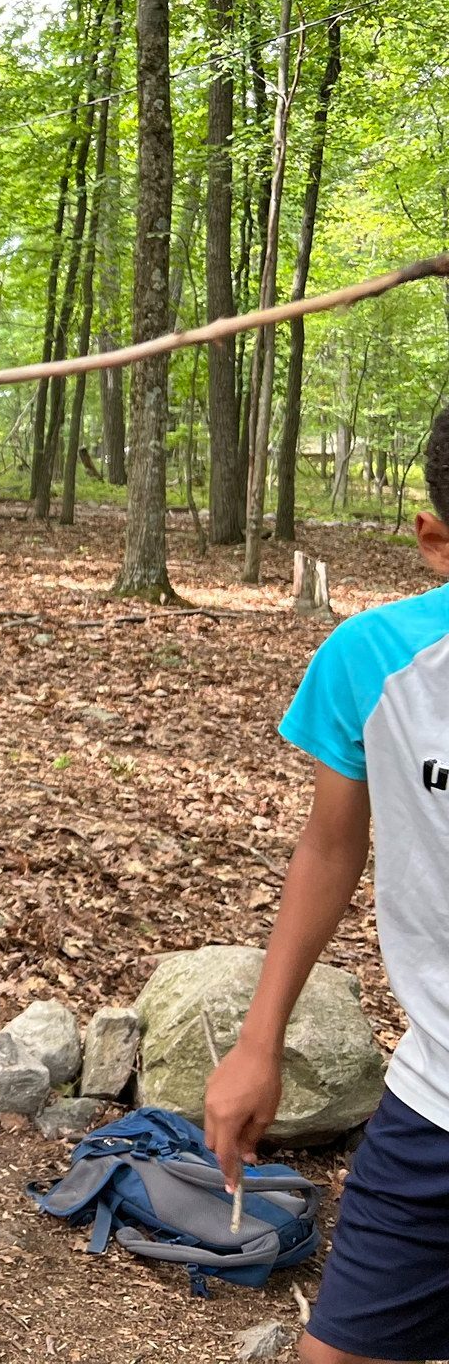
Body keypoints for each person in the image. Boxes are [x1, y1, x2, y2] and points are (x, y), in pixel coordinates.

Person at [205, 407, 449, 1364]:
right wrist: (257, 1043)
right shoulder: (377, 664)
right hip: (436, 1101)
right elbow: (328, 849)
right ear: (437, 543)